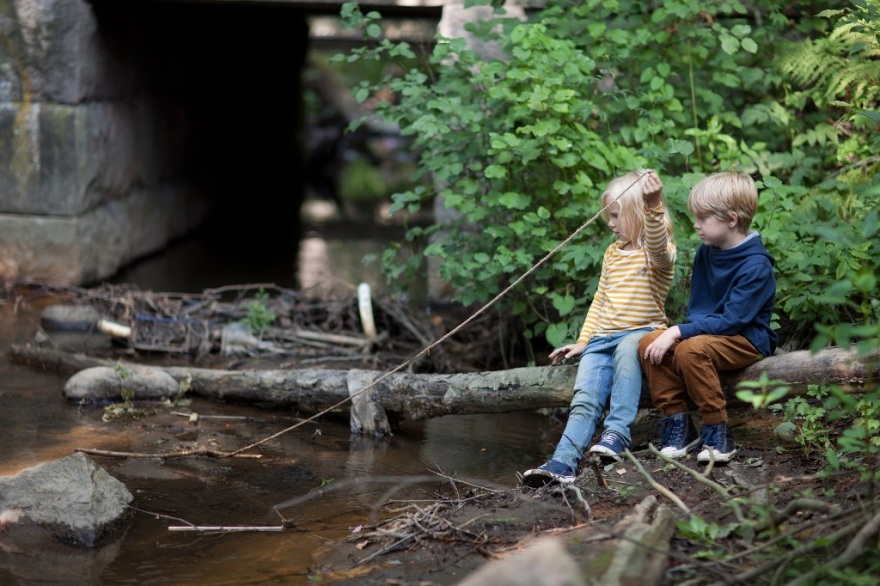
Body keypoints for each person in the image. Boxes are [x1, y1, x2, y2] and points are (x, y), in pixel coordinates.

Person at [522, 169, 676, 486]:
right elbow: (600, 300)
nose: (610, 223)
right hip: (602, 338)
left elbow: (659, 244)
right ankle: (562, 462)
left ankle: (617, 433)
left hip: (642, 333)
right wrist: (584, 341)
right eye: (609, 216)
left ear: (638, 215)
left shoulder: (657, 254)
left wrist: (653, 205)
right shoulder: (611, 254)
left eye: (616, 216)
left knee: (625, 349)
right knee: (584, 398)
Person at [639, 171, 776, 463]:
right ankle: (679, 424)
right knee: (648, 342)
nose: (696, 224)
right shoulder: (707, 251)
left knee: (690, 347)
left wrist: (678, 331)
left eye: (703, 218)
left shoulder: (756, 266)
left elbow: (732, 321)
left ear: (732, 219)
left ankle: (718, 430)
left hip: (745, 338)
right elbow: (701, 311)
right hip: (709, 335)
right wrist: (677, 334)